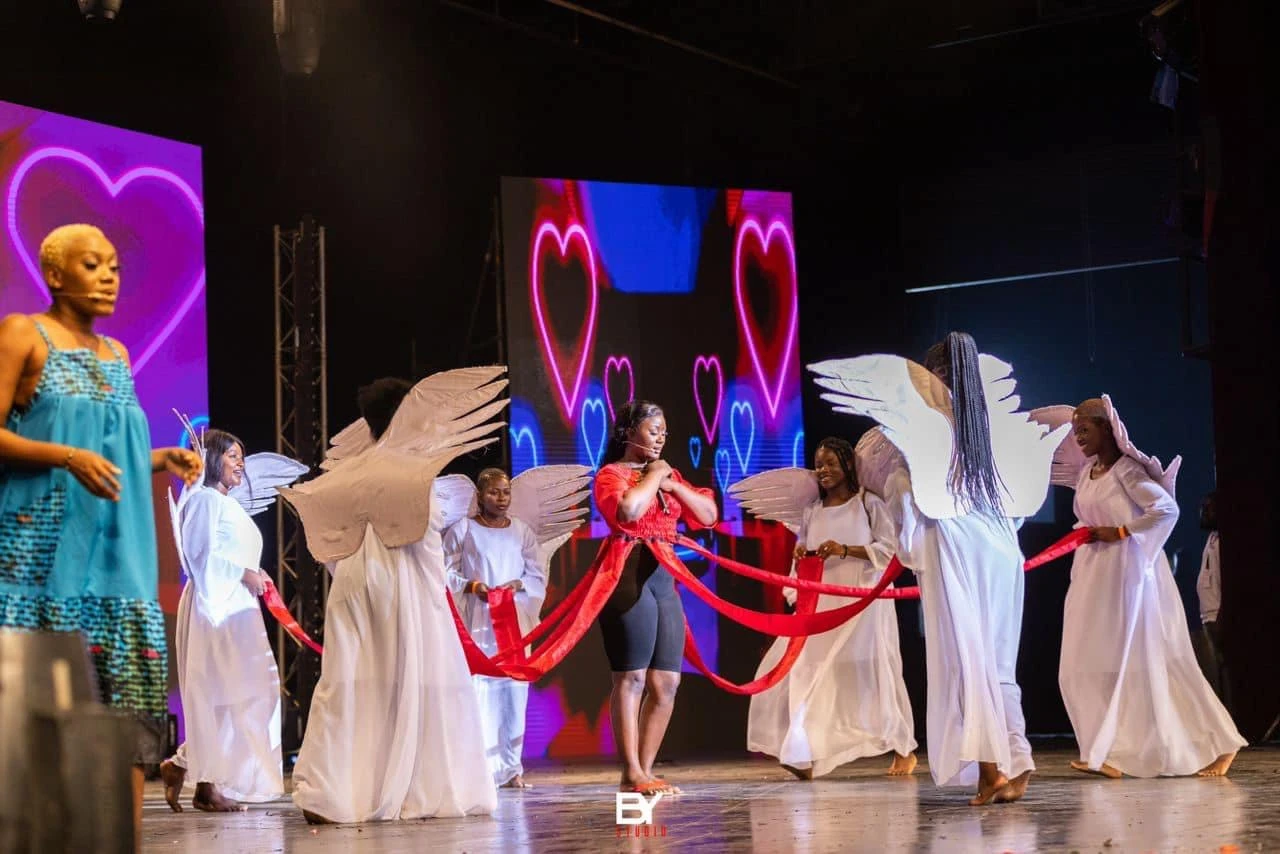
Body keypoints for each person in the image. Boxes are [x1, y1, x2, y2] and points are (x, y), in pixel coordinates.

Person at [0, 224, 202, 842]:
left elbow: (108, 452)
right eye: (93, 265)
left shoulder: (116, 354)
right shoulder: (21, 334)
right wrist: (64, 457)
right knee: (39, 710)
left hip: (122, 556)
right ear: (55, 275)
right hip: (44, 553)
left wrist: (162, 457)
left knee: (130, 716)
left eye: (114, 264)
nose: (110, 275)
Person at [811, 332, 1061, 805]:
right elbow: (1020, 505)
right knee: (996, 661)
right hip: (1001, 546)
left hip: (953, 542)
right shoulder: (987, 427)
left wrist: (908, 538)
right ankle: (1015, 757)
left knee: (968, 660)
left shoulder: (926, 427)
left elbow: (907, 496)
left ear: (935, 378)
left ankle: (994, 770)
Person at [288, 375, 497, 823]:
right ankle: (407, 786)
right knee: (411, 683)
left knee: (348, 682)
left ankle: (333, 789)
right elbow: (426, 540)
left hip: (353, 584)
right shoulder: (413, 469)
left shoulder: (352, 468)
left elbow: (331, 542)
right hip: (406, 587)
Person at [1060, 399, 1245, 778]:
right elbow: (1084, 515)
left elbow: (1166, 510)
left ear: (1107, 429)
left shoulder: (1126, 471)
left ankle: (1221, 742)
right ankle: (1106, 748)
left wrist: (1123, 531)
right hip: (1095, 578)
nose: (1078, 438)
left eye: (1085, 429)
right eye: (1075, 431)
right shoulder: (1087, 474)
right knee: (1085, 666)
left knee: (1145, 664)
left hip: (1130, 576)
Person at [746, 437, 917, 780]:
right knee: (805, 668)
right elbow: (805, 549)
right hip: (823, 604)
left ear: (848, 466)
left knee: (875, 671)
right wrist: (801, 557)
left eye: (831, 464)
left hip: (863, 599)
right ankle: (803, 752)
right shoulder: (812, 511)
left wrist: (844, 549)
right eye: (819, 465)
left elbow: (888, 550)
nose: (823, 471)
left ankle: (904, 747)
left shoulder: (869, 504)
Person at [594, 400, 718, 796]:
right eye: (653, 430)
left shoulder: (668, 476)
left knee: (666, 682)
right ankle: (630, 771)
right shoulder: (611, 475)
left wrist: (673, 482)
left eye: (664, 431)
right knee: (630, 677)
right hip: (627, 575)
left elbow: (709, 515)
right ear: (628, 434)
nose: (661, 437)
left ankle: (645, 772)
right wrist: (653, 477)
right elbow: (628, 512)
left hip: (664, 579)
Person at [158, 429, 284, 812]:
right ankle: (205, 784)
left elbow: (233, 551)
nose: (240, 462)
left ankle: (185, 766)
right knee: (220, 693)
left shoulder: (228, 504)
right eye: (232, 455)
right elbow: (199, 558)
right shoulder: (204, 500)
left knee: (246, 692)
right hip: (216, 608)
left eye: (241, 455)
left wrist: (257, 574)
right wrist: (243, 574)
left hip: (238, 610)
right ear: (213, 459)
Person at [444, 467, 546, 790]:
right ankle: (480, 770)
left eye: (505, 493)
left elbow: (536, 574)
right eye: (493, 492)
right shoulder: (463, 529)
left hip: (512, 619)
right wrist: (472, 586)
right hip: (477, 621)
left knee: (513, 693)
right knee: (479, 692)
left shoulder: (522, 532)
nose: (501, 498)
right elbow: (444, 571)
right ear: (479, 495)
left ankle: (510, 768)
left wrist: (519, 584)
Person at [1195, 490, 1228, 702]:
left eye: (1210, 509)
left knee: (1225, 669)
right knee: (1215, 672)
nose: (1204, 513)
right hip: (1208, 616)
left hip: (1218, 616)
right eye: (1203, 508)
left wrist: (1222, 617)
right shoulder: (1212, 538)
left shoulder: (1225, 543)